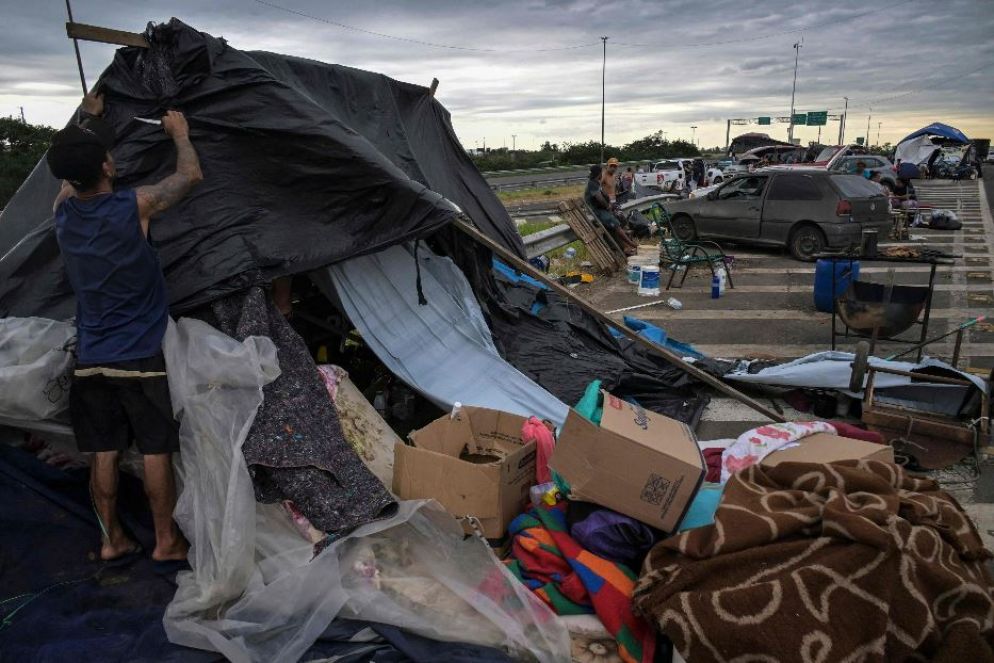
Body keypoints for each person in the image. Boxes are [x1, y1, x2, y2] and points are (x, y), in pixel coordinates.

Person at [46, 91, 203, 562]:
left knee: (103, 452)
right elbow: (189, 176)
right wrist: (180, 135)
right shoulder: (135, 206)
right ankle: (165, 541)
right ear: (108, 167)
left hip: (92, 356)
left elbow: (72, 169)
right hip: (139, 355)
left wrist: (87, 119)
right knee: (156, 451)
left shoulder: (62, 212)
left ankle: (110, 539)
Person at [584, 165, 638, 255]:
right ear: (598, 174)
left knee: (615, 224)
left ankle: (625, 247)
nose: (602, 174)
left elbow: (604, 194)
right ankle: (631, 244)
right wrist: (607, 206)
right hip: (596, 211)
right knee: (616, 224)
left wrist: (609, 203)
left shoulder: (596, 183)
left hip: (600, 209)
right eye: (601, 172)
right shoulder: (592, 184)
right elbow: (599, 198)